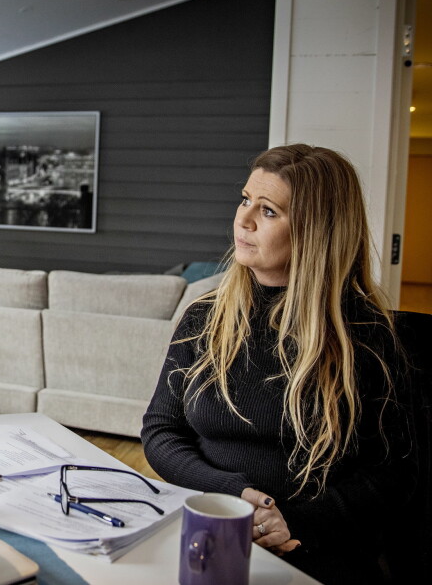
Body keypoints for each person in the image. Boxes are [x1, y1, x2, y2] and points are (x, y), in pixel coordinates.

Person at [141, 144, 420, 584]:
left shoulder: (366, 337)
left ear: (317, 230)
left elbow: (394, 474)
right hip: (207, 526)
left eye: (269, 211)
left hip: (313, 548)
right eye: (245, 200)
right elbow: (161, 430)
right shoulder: (204, 316)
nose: (244, 219)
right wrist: (231, 494)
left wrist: (296, 522)